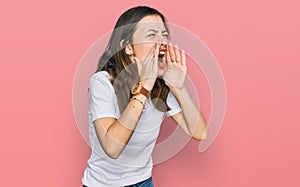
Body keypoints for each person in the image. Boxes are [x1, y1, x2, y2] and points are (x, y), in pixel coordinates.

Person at [82, 6, 208, 187]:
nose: (162, 41)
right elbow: (112, 148)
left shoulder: (161, 85)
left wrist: (178, 87)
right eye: (151, 35)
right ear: (128, 47)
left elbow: (200, 132)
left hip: (143, 182)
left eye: (164, 35)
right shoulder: (102, 82)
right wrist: (144, 86)